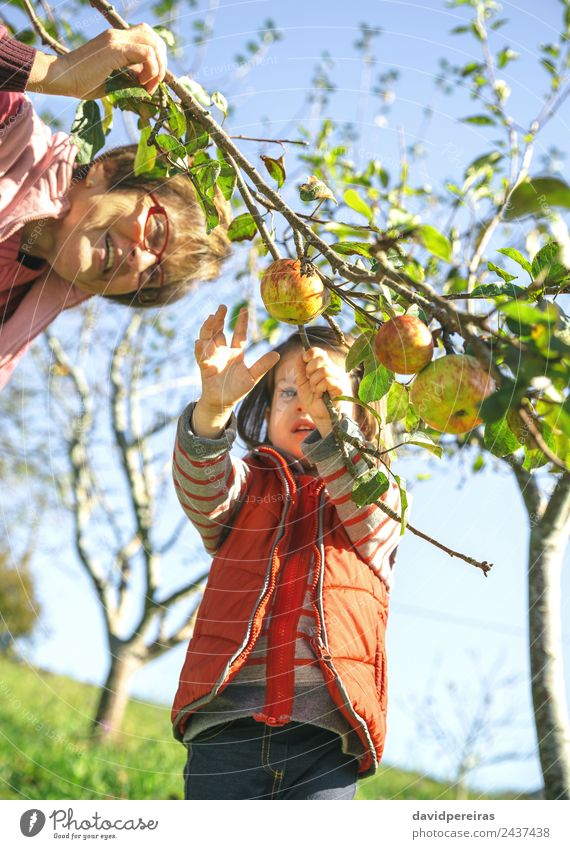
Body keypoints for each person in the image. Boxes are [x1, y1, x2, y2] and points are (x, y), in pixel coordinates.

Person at [171, 304, 402, 800]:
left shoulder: (377, 498)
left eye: (324, 393)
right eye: (288, 392)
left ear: (363, 414)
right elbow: (202, 489)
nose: (304, 406)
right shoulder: (249, 486)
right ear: (265, 408)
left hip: (324, 744)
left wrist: (334, 426)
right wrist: (211, 410)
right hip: (224, 730)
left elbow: (368, 501)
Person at [0, 24, 230, 389]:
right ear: (106, 173)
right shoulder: (9, 132)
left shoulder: (15, 315)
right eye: (156, 232)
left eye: (152, 278)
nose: (140, 261)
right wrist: (56, 73)